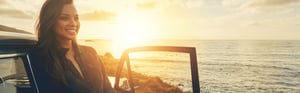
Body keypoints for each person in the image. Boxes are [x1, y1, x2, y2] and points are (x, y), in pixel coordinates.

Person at [29, 0, 115, 93]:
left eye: (76, 18)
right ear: (51, 21)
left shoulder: (91, 53)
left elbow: (108, 89)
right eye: (64, 18)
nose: (73, 23)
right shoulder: (41, 59)